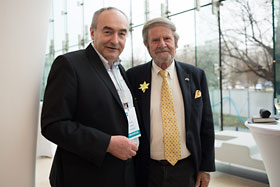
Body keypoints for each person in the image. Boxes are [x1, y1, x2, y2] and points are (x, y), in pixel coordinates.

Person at [41, 7, 140, 187]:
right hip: (85, 177)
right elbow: (53, 125)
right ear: (93, 32)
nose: (115, 40)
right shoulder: (69, 65)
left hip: (123, 174)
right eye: (108, 32)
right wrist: (107, 144)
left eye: (122, 34)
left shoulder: (120, 71)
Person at [127, 17, 215, 187]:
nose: (162, 44)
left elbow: (207, 124)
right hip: (146, 170)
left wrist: (205, 167)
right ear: (147, 46)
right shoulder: (133, 77)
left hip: (186, 169)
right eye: (155, 40)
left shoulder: (196, 76)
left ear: (175, 42)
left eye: (167, 38)